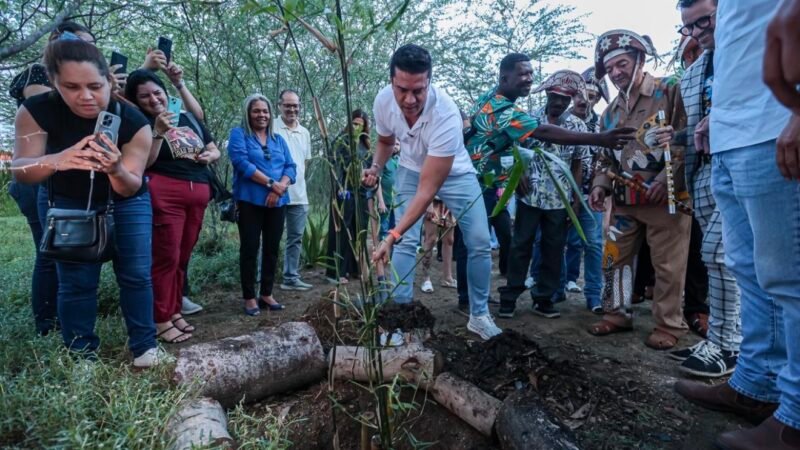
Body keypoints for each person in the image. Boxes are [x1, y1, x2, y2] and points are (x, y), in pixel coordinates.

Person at [674, 1, 800, 447]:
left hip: (774, 128)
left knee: (790, 278)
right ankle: (756, 384)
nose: (697, 30)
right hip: (732, 139)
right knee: (749, 270)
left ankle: (796, 418)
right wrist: (719, 115)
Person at [11, 39, 162, 367]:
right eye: (71, 87)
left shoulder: (134, 121)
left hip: (127, 202)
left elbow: (130, 185)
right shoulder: (36, 111)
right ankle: (82, 357)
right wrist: (57, 159)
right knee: (77, 281)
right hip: (66, 199)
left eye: (95, 86)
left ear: (109, 81)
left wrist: (116, 168)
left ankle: (145, 348)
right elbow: (20, 170)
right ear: (55, 83)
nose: (86, 96)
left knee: (136, 274)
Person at [364, 44, 502, 340]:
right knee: (406, 242)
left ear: (429, 82)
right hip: (410, 168)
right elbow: (386, 142)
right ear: (391, 82)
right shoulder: (383, 101)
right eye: (402, 89)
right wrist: (375, 167)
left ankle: (479, 315)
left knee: (479, 240)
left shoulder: (446, 114)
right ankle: (399, 320)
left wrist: (391, 234)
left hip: (455, 173)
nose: (409, 99)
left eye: (418, 90)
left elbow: (428, 190)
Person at [587, 29, 692, 350]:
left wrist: (666, 178)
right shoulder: (610, 113)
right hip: (623, 201)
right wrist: (600, 186)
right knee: (614, 258)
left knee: (668, 265)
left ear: (640, 59)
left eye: (622, 64)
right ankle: (616, 314)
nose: (616, 73)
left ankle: (669, 324)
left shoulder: (669, 89)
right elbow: (604, 157)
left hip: (666, 199)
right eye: (610, 68)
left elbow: (687, 136)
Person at [667, 0, 742, 378]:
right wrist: (676, 136)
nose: (698, 32)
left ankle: (728, 344)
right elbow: (700, 128)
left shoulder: (749, 50)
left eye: (703, 21)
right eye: (690, 27)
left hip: (745, 166)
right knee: (724, 260)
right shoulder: (695, 71)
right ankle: (725, 340)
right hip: (707, 174)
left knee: (719, 255)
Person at [5, 22, 94, 337]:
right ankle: (46, 324)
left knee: (61, 252)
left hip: (62, 176)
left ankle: (61, 315)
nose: (86, 49)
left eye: (91, 44)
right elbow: (48, 108)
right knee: (48, 252)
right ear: (57, 41)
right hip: (37, 175)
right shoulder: (37, 74)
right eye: (81, 42)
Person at [125, 69, 220, 343]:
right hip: (166, 192)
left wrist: (209, 155)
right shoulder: (140, 122)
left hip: (197, 189)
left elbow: (214, 148)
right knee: (165, 256)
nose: (154, 99)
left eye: (157, 93)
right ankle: (160, 319)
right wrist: (157, 132)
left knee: (182, 257)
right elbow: (145, 162)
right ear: (136, 100)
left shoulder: (186, 117)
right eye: (145, 96)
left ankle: (174, 310)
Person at [500, 70, 590, 319]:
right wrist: (518, 175)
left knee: (554, 249)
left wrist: (576, 199)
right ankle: (510, 296)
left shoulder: (577, 126)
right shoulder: (530, 119)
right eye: (556, 97)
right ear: (548, 95)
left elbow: (578, 163)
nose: (559, 102)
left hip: (559, 199)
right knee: (520, 246)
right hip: (529, 195)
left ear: (570, 100)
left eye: (565, 98)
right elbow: (512, 150)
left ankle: (543, 299)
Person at [229, 94, 296, 316]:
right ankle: (249, 297)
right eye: (256, 111)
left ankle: (266, 293)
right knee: (250, 248)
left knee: (272, 248)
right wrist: (270, 184)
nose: (262, 115)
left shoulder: (278, 140)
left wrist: (280, 187)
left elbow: (291, 167)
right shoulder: (239, 134)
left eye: (265, 111)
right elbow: (241, 163)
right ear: (248, 113)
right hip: (250, 200)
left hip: (278, 201)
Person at [325, 109, 373, 284]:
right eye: (354, 123)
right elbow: (334, 165)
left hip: (361, 193)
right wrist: (339, 186)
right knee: (342, 230)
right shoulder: (341, 141)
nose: (357, 127)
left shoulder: (365, 144)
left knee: (359, 230)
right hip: (344, 192)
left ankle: (354, 268)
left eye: (361, 125)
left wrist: (370, 183)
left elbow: (370, 168)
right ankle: (336, 271)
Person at [274, 89, 313, 291]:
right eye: (287, 105)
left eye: (295, 105)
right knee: (271, 238)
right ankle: (262, 279)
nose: (292, 109)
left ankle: (290, 277)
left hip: (299, 194)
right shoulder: (271, 127)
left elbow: (304, 162)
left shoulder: (304, 132)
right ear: (279, 105)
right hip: (275, 192)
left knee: (295, 238)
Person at [419, 197, 456, 293]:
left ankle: (447, 278)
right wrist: (428, 202)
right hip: (434, 200)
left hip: (449, 201)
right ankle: (426, 279)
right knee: (430, 239)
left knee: (449, 240)